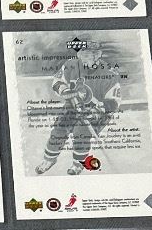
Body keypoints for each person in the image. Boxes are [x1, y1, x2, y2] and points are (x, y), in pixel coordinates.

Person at [31, 39, 127, 175]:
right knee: (59, 128)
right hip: (73, 105)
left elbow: (114, 101)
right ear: (79, 55)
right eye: (84, 54)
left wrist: (97, 110)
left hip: (97, 110)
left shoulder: (109, 73)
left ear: (98, 55)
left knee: (81, 132)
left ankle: (78, 164)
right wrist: (64, 90)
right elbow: (57, 81)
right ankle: (49, 160)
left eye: (91, 54)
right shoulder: (70, 65)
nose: (87, 58)